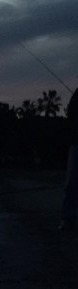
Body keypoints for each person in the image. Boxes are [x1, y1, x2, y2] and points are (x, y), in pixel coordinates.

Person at [62, 87, 78, 231]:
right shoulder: (76, 96)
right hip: (76, 143)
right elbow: (71, 115)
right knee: (71, 183)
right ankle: (68, 219)